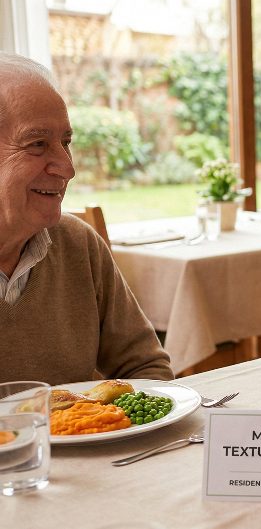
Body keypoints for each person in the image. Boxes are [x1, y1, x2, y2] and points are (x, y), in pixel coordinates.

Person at [0, 52, 172, 385]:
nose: (67, 168)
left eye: (66, 142)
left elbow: (145, 369)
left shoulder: (77, 244)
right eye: (37, 144)